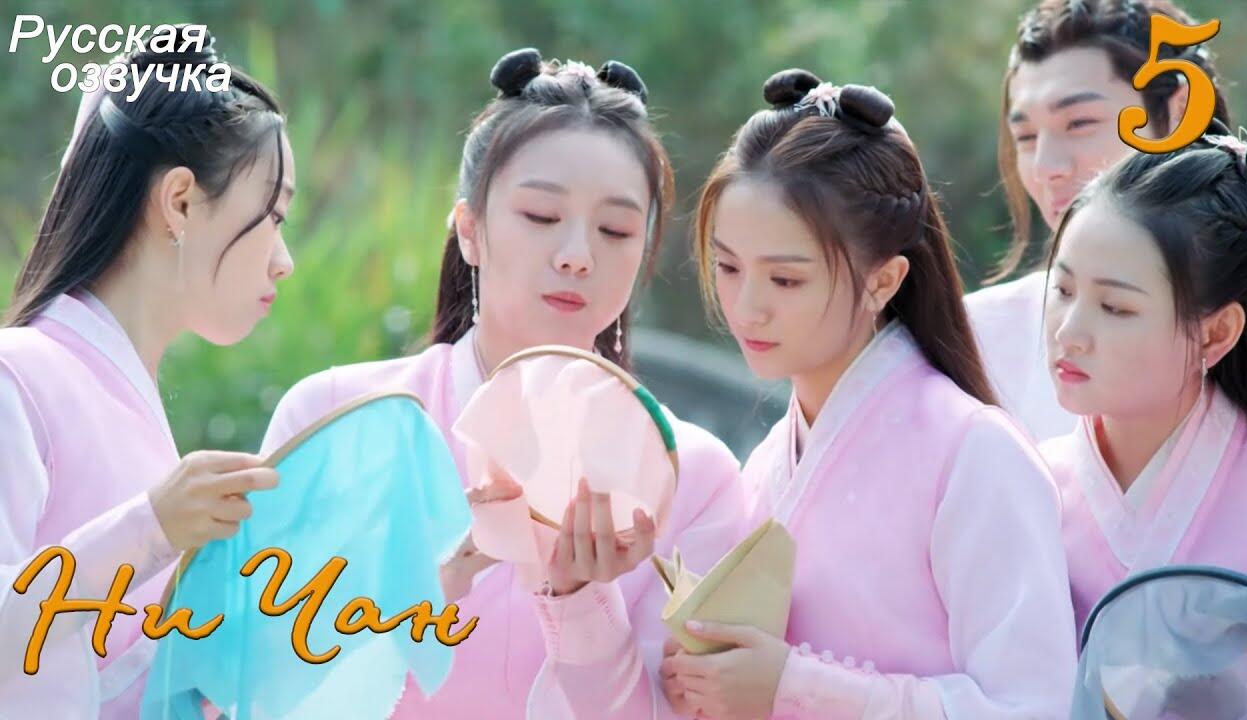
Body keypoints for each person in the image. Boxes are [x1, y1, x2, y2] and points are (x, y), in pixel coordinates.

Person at [260, 48, 746, 718]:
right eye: (541, 217)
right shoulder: (335, 417)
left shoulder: (693, 479)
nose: (577, 255)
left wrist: (579, 599)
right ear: (469, 231)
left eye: (615, 230)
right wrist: (443, 576)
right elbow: (255, 682)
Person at [660, 70, 1077, 720]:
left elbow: (1035, 707)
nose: (746, 307)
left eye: (785, 280)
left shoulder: (974, 454)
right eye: (729, 267)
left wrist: (796, 686)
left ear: (883, 281)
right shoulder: (769, 463)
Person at [0, 39, 293, 718]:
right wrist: (150, 528)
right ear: (181, 201)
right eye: (273, 214)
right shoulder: (19, 372)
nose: (284, 260)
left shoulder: (125, 403)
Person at [1037, 136, 1247, 644]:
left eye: (1115, 308)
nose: (1068, 332)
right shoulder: (1028, 482)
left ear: (1215, 333)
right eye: (1063, 290)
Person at [966, 0, 1231, 442]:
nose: (1045, 166)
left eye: (1079, 123)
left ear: (1179, 111)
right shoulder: (978, 336)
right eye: (1025, 136)